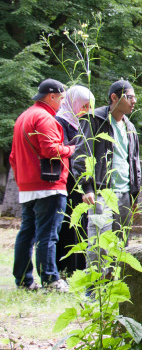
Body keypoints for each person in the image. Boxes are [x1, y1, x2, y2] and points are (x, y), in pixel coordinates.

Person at [10, 79, 75, 291]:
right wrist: (71, 150)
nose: (62, 103)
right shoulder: (45, 118)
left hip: (27, 185)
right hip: (48, 185)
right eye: (62, 98)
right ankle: (50, 279)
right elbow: (50, 150)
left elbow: (13, 156)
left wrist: (22, 179)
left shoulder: (24, 117)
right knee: (48, 234)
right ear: (52, 96)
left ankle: (23, 280)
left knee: (26, 234)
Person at [72, 80, 142, 270]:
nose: (134, 101)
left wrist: (134, 195)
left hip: (125, 193)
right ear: (114, 97)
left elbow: (133, 162)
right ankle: (94, 290)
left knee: (120, 244)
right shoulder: (93, 120)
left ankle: (112, 287)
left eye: (135, 97)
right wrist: (87, 187)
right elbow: (80, 155)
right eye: (130, 97)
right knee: (98, 241)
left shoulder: (130, 127)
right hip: (101, 191)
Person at [54, 85, 94, 277]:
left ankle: (79, 268)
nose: (86, 110)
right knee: (68, 224)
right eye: (84, 105)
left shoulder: (84, 123)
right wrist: (77, 149)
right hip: (66, 181)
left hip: (82, 180)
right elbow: (61, 148)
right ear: (74, 103)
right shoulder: (60, 121)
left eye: (89, 106)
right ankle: (65, 268)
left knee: (82, 224)